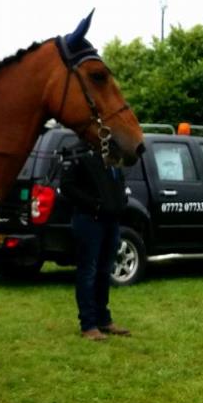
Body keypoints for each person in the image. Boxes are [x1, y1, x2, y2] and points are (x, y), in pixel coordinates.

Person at [60, 142, 132, 341]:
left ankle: (103, 319)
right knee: (88, 272)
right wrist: (95, 205)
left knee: (104, 271)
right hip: (89, 221)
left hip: (111, 220)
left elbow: (119, 181)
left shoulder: (113, 153)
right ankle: (88, 324)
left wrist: (120, 201)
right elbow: (66, 186)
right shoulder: (80, 153)